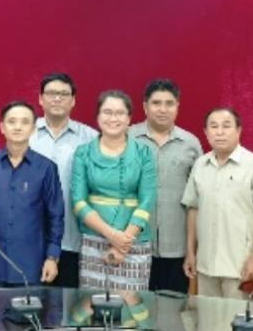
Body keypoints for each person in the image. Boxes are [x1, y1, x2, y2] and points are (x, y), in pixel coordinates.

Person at [182, 107, 253, 299]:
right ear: (206, 132)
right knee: (208, 317)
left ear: (238, 130)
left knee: (239, 318)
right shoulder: (200, 165)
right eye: (214, 126)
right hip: (205, 265)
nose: (219, 132)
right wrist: (190, 252)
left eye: (226, 126)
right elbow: (193, 209)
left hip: (240, 267)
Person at [0, 101, 64, 287]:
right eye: (12, 121)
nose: (18, 127)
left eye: (25, 122)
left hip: (32, 266)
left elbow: (56, 216)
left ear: (33, 129)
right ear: (2, 127)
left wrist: (52, 257)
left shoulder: (46, 168)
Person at [71, 90, 156, 292]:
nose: (113, 118)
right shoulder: (83, 152)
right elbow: (78, 201)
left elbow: (148, 199)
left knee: (132, 306)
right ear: (97, 116)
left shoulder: (144, 153)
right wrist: (111, 235)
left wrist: (123, 242)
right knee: (93, 303)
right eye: (107, 112)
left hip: (132, 242)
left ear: (129, 118)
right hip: (94, 240)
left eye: (119, 113)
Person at [128, 79, 202, 294]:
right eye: (156, 103)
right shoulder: (127, 138)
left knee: (173, 307)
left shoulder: (190, 143)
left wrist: (192, 250)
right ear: (145, 106)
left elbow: (196, 201)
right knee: (134, 307)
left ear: (177, 106)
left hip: (176, 247)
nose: (163, 109)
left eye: (169, 103)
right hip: (133, 245)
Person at [30, 72, 98, 288]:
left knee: (69, 303)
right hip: (31, 239)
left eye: (63, 94)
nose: (57, 98)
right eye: (51, 93)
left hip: (74, 238)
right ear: (40, 99)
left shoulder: (91, 138)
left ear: (73, 100)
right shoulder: (26, 133)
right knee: (32, 303)